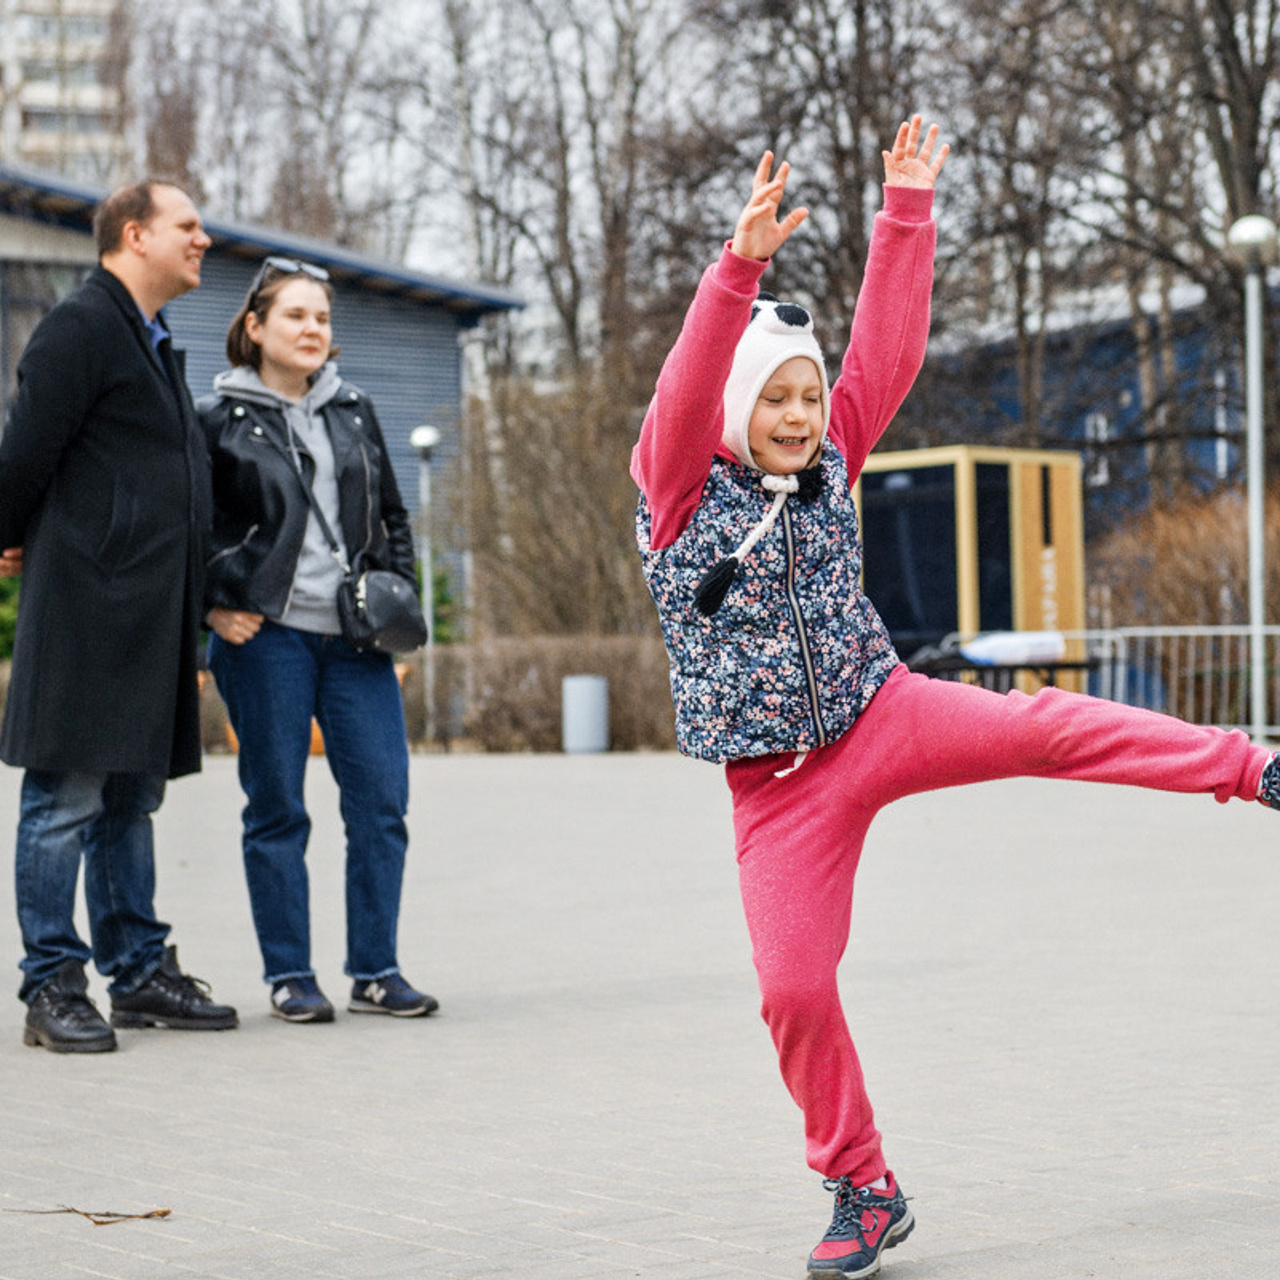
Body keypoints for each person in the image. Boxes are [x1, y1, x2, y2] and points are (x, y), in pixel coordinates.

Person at [631, 117, 1280, 1280]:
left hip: (881, 713)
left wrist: (906, 214)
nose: (795, 416)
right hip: (775, 787)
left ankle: (1253, 765)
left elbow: (888, 346)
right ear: (733, 413)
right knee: (789, 984)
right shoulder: (678, 488)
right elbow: (684, 387)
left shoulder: (831, 453)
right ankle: (861, 1185)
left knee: (1046, 725)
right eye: (773, 400)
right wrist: (734, 274)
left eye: (806, 395)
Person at [0, 180, 239, 1054]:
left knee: (130, 797)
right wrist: (12, 534)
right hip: (88, 606)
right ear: (134, 236)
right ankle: (52, 985)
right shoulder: (82, 325)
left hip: (147, 608)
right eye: (188, 226)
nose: (203, 238)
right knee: (66, 796)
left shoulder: (154, 340)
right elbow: (25, 450)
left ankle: (137, 972)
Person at [199, 256, 437, 1024]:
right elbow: (189, 526)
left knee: (381, 804)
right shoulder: (217, 418)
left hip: (355, 642)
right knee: (276, 808)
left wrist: (391, 606)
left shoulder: (354, 409)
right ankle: (290, 975)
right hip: (265, 638)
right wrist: (212, 604)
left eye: (323, 318)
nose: (312, 329)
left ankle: (375, 969)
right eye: (296, 316)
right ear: (255, 327)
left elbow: (392, 517)